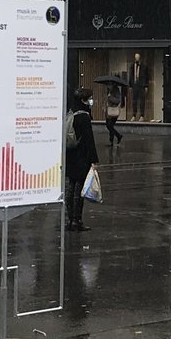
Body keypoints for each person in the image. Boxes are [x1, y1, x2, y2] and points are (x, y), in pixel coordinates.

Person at [65, 87, 99, 232]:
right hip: (81, 157)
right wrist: (93, 159)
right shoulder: (84, 117)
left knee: (70, 188)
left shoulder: (71, 114)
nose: (91, 101)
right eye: (90, 98)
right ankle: (77, 220)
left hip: (70, 155)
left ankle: (70, 219)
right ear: (84, 100)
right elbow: (89, 141)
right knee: (80, 190)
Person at [128, 54, 149, 121]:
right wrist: (130, 85)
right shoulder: (132, 65)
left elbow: (147, 77)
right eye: (135, 58)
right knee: (134, 100)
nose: (136, 59)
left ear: (140, 58)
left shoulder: (144, 66)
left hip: (141, 85)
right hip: (135, 85)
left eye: (138, 58)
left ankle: (142, 115)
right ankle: (134, 115)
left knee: (142, 101)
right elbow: (131, 75)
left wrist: (146, 86)